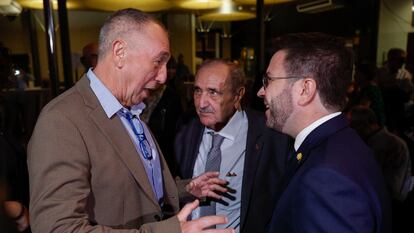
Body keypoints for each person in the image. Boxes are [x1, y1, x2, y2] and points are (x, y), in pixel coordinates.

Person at [28, 8, 234, 233]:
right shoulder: (61, 121)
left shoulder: (129, 109)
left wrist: (186, 188)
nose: (163, 76)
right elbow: (57, 228)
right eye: (158, 62)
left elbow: (131, 185)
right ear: (119, 52)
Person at [257, 32, 391, 233]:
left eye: (268, 80)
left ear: (305, 89)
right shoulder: (339, 145)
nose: (261, 91)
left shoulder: (327, 178)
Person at [174, 59, 292, 233]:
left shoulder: (271, 135)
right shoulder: (186, 130)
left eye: (213, 92)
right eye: (198, 91)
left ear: (238, 95)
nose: (201, 103)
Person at [348, 106, 413, 201]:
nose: (352, 132)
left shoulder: (395, 145)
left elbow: (391, 187)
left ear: (365, 124)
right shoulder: (363, 143)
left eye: (353, 126)